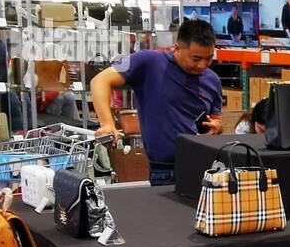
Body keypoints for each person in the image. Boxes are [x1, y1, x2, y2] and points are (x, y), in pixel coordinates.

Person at [91, 18, 224, 187]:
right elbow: (100, 81)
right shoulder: (147, 62)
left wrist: (217, 126)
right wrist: (107, 124)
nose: (202, 65)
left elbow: (216, 118)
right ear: (177, 48)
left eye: (209, 59)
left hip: (206, 168)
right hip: (165, 171)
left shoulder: (213, 80)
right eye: (196, 58)